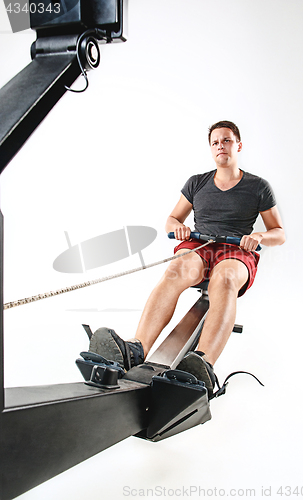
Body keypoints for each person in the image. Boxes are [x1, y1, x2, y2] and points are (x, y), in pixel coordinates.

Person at [88, 120, 285, 397]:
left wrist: (260, 238)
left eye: (227, 140)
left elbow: (279, 233)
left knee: (225, 279)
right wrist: (177, 227)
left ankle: (201, 363)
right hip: (199, 244)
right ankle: (137, 348)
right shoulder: (197, 182)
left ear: (238, 145)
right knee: (176, 270)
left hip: (235, 249)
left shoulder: (257, 186)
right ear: (211, 149)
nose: (221, 146)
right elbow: (171, 219)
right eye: (216, 142)